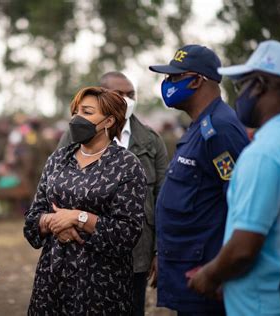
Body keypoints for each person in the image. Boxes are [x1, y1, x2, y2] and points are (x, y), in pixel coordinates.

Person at [24, 86, 147, 315]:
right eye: (76, 112)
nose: (77, 118)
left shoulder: (126, 165)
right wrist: (54, 222)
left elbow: (127, 233)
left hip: (101, 287)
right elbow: (32, 220)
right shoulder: (59, 159)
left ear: (109, 121)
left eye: (87, 112)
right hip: (52, 281)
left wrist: (78, 218)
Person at [148, 44, 249, 315]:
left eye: (174, 77)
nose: (167, 84)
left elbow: (239, 204)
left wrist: (220, 271)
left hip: (206, 273)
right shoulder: (200, 126)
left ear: (196, 80)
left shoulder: (219, 129)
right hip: (186, 267)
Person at [188, 40, 280, 316]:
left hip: (260, 304)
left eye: (241, 85)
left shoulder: (264, 153)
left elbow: (244, 247)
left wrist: (210, 274)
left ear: (260, 85)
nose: (240, 95)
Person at [58, 71, 168, 316]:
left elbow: (163, 198)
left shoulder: (151, 140)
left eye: (131, 94)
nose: (127, 100)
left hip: (136, 252)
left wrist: (161, 251)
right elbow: (55, 186)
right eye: (120, 94)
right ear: (103, 95)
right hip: (83, 251)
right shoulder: (73, 136)